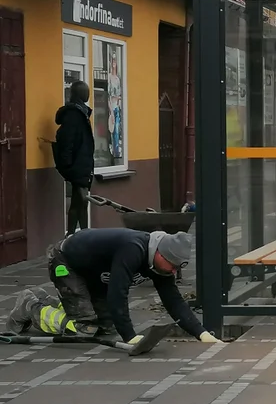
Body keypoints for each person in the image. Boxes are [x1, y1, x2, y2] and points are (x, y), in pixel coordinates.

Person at [7, 228, 222, 345]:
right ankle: (31, 306)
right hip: (67, 262)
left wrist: (201, 333)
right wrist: (130, 337)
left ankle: (55, 303)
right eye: (172, 265)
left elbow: (173, 300)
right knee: (85, 328)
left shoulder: (160, 264)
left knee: (107, 326)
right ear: (160, 254)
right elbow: (118, 292)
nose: (174, 271)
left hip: (93, 270)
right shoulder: (133, 249)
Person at [53, 81, 95, 235]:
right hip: (78, 165)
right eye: (85, 91)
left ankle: (81, 235)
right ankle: (75, 235)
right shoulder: (74, 114)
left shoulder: (81, 112)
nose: (88, 94)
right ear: (78, 94)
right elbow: (67, 141)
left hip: (82, 164)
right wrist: (68, 166)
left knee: (80, 203)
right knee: (81, 202)